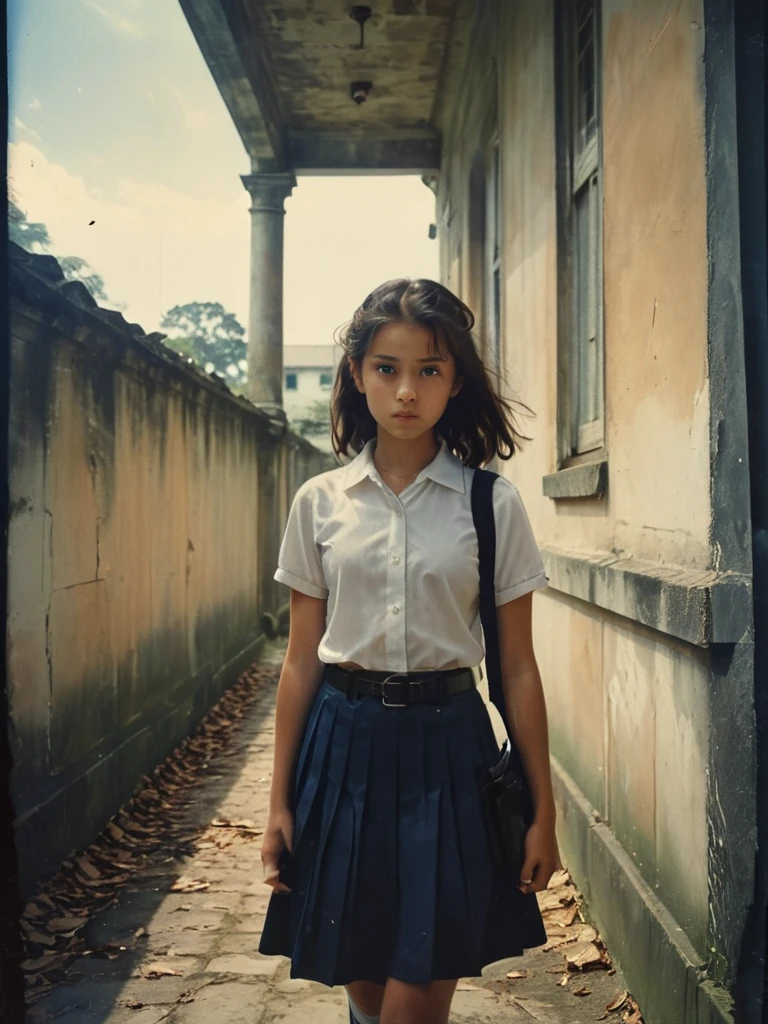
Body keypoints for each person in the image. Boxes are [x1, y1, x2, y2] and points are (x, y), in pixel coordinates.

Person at [258, 278, 563, 1024]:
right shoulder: (319, 503)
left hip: (449, 753)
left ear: (455, 381)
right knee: (364, 978)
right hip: (343, 750)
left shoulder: (491, 506)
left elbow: (517, 666)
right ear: (358, 375)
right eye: (387, 368)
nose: (406, 391)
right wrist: (278, 799)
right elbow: (301, 660)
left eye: (429, 369)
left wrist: (543, 809)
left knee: (414, 995)